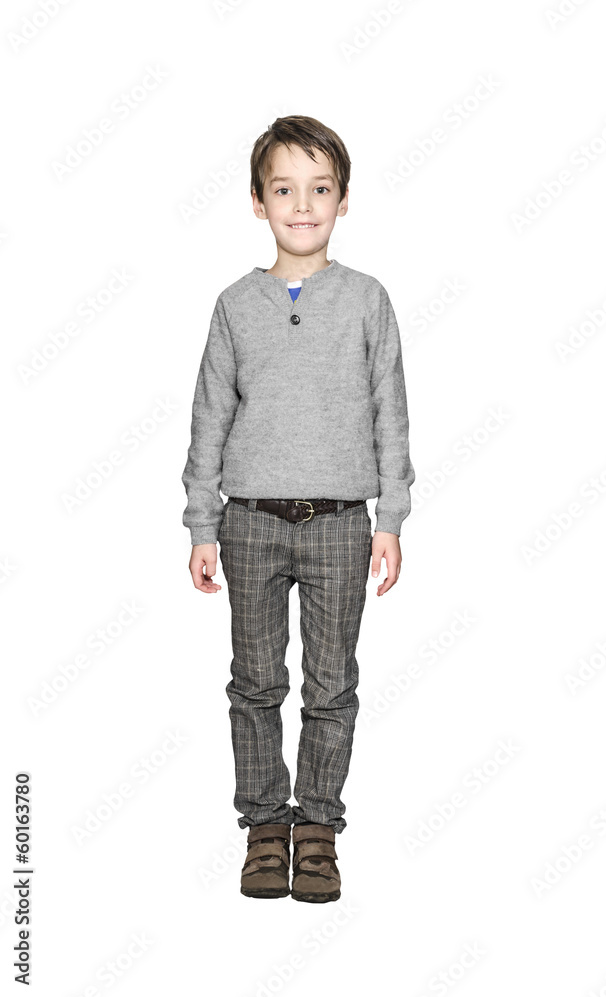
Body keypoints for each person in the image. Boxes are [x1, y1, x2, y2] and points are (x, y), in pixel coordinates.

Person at [181, 115, 415, 903]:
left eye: (319, 189)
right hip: (247, 521)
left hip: (342, 522)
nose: (302, 205)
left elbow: (389, 411)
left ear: (343, 200)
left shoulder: (366, 300)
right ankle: (262, 825)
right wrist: (202, 522)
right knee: (253, 681)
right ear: (258, 201)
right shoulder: (234, 305)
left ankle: (316, 828)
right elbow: (210, 415)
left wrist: (390, 517)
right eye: (284, 189)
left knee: (330, 684)